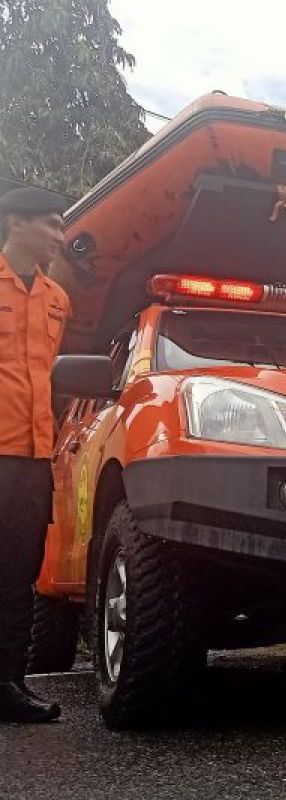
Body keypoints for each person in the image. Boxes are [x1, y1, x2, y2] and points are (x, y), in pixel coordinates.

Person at [0, 187, 72, 724]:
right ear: (16, 223)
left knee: (17, 576)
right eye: (51, 224)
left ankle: (7, 685)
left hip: (31, 461)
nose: (60, 236)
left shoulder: (56, 299)